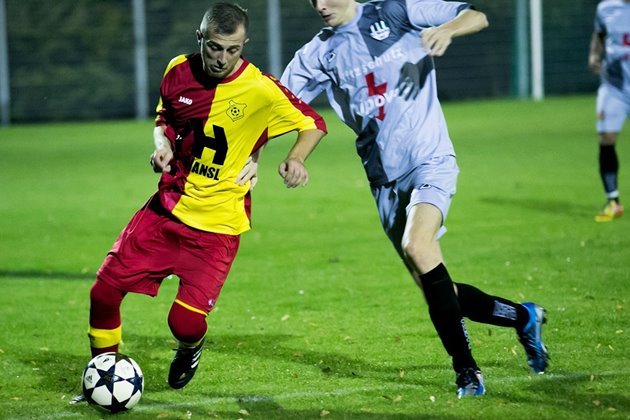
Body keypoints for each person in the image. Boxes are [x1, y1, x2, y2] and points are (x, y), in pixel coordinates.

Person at [280, 0, 548, 398]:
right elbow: (271, 105)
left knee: (418, 245)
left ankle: (467, 373)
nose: (320, 5)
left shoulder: (397, 11)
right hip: (383, 180)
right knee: (436, 289)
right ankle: (522, 316)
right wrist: (265, 158)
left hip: (429, 159)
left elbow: (477, 14)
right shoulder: (318, 53)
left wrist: (449, 29)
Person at [75, 1, 326, 398]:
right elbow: (165, 119)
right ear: (200, 38)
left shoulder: (260, 87)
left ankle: (190, 348)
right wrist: (163, 148)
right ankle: (99, 374)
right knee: (103, 293)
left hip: (218, 224)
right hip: (167, 209)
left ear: (244, 45)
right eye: (214, 47)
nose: (223, 58)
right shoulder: (178, 70)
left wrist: (295, 158)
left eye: (234, 49)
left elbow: (313, 123)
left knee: (185, 324)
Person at [588, 0, 629, 222]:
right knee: (606, 138)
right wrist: (594, 56)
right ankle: (613, 201)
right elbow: (599, 34)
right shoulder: (606, 8)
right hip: (614, 86)